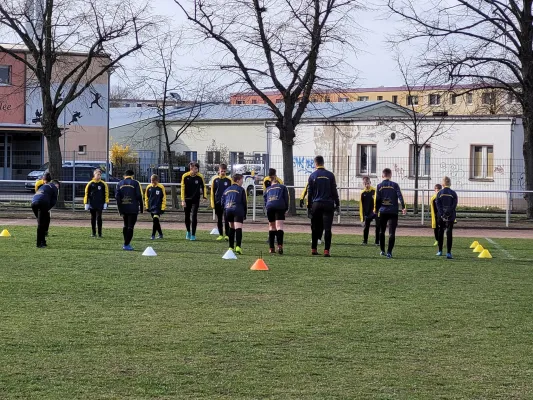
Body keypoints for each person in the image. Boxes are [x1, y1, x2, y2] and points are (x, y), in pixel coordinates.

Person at [307, 156, 340, 257]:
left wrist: (309, 206)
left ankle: (313, 249)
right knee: (328, 228)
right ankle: (326, 251)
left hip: (316, 204)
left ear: (315, 163)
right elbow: (334, 191)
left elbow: (310, 193)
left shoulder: (312, 175)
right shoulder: (330, 175)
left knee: (315, 227)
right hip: (328, 204)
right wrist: (337, 204)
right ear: (323, 163)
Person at [375, 168, 407, 259]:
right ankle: (389, 252)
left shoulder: (379, 186)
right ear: (391, 175)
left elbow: (377, 199)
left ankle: (382, 250)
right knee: (392, 233)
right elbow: (400, 196)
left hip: (383, 211)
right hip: (393, 211)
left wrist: (376, 210)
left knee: (381, 231)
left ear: (382, 175)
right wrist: (403, 207)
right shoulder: (395, 185)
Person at [115, 169, 143, 251]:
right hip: (133, 207)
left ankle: (126, 242)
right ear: (132, 176)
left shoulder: (119, 183)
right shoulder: (135, 183)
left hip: (123, 207)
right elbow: (139, 196)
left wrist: (120, 209)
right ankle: (126, 244)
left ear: (125, 175)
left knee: (125, 225)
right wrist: (141, 208)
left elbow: (117, 197)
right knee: (131, 226)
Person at [221, 173, 247, 255]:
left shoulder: (227, 189)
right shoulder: (241, 189)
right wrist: (244, 214)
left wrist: (225, 210)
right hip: (237, 209)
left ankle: (230, 247)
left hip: (228, 210)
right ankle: (238, 247)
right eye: (242, 180)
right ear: (238, 180)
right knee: (238, 228)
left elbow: (222, 201)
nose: (242, 182)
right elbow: (244, 202)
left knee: (231, 227)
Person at [181, 162, 207, 241]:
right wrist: (182, 200)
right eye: (192, 168)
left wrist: (204, 196)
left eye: (196, 168)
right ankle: (188, 231)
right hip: (186, 199)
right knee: (187, 216)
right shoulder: (185, 176)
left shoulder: (200, 176)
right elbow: (182, 188)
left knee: (194, 216)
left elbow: (203, 186)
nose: (194, 170)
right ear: (190, 168)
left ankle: (193, 234)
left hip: (195, 200)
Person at [264, 174, 289, 254]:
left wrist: (267, 207)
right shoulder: (283, 187)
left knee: (271, 226)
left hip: (270, 206)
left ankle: (271, 248)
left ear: (272, 183)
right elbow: (286, 198)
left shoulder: (267, 189)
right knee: (279, 226)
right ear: (278, 182)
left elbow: (265, 200)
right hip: (280, 206)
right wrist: (286, 209)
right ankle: (280, 245)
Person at [31, 178, 60, 248]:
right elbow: (53, 201)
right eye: (58, 187)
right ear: (56, 185)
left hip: (33, 203)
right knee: (41, 224)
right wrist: (48, 208)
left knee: (43, 222)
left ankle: (43, 241)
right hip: (42, 203)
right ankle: (39, 243)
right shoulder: (54, 187)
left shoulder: (44, 186)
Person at [436, 176, 458, 259]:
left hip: (441, 215)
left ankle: (440, 250)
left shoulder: (439, 193)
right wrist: (449, 213)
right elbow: (454, 205)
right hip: (451, 215)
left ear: (443, 184)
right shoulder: (453, 193)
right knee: (449, 232)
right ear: (450, 183)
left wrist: (442, 214)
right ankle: (448, 252)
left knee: (440, 231)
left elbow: (438, 204)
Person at [83, 169, 109, 238]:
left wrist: (106, 202)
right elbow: (86, 193)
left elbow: (106, 193)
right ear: (94, 175)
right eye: (97, 174)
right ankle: (93, 233)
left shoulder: (103, 184)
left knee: (99, 218)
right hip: (92, 204)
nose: (99, 176)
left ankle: (100, 233)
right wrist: (86, 203)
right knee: (93, 218)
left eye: (100, 175)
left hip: (100, 204)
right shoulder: (90, 183)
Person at [210, 164, 233, 241]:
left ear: (226, 171)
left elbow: (232, 191)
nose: (223, 172)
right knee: (219, 219)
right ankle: (220, 234)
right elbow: (212, 192)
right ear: (218, 171)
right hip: (217, 202)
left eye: (224, 171)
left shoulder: (229, 180)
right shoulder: (215, 180)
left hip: (227, 203)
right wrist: (212, 203)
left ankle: (227, 234)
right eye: (221, 171)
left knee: (227, 219)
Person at [145, 174, 167, 240]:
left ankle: (153, 235)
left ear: (157, 181)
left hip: (158, 207)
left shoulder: (161, 187)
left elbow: (164, 198)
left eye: (154, 181)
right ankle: (160, 234)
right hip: (151, 207)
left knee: (155, 220)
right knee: (156, 222)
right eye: (151, 181)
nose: (152, 182)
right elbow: (146, 197)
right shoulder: (148, 187)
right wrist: (147, 206)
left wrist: (163, 208)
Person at [360, 176, 380, 246]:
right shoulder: (362, 193)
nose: (366, 185)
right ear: (363, 184)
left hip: (375, 212)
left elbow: (378, 201)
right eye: (365, 184)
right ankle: (365, 241)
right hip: (367, 213)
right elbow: (361, 206)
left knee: (378, 226)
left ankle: (377, 241)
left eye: (368, 183)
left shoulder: (374, 191)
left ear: (370, 183)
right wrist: (362, 217)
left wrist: (378, 210)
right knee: (366, 227)